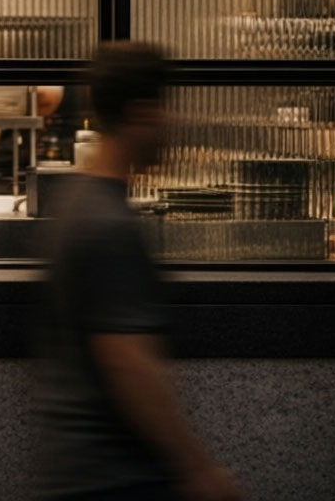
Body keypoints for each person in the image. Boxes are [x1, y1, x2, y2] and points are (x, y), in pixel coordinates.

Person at [34, 43, 242, 501]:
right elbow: (128, 363)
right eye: (166, 110)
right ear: (141, 113)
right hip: (111, 479)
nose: (174, 126)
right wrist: (198, 470)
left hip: (81, 471)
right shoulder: (108, 226)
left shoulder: (75, 201)